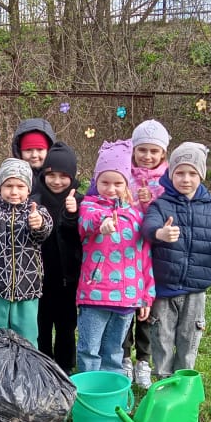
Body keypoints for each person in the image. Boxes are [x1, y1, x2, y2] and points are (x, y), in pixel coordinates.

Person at [143, 142, 211, 379]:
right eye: (180, 173)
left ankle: (184, 383)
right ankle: (163, 382)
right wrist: (160, 233)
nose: (186, 179)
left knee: (189, 339)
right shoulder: (161, 205)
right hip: (164, 289)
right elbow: (148, 228)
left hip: (196, 290)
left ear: (201, 175)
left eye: (192, 173)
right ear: (171, 174)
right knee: (162, 338)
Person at [75, 139, 155, 375]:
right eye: (105, 182)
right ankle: (88, 389)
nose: (111, 189)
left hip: (128, 297)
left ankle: (112, 389)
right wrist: (103, 223)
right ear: (96, 182)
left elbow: (145, 257)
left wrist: (146, 296)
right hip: (95, 295)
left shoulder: (136, 214)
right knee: (89, 350)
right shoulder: (89, 206)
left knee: (114, 351)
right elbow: (87, 223)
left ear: (126, 183)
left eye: (118, 183)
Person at [0, 158, 53, 343]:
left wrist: (38, 224)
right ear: (0, 187)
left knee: (27, 338)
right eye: (8, 186)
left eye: (20, 186)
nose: (14, 191)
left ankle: (27, 362)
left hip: (27, 287)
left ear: (28, 189)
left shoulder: (37, 212)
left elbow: (44, 231)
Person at [123, 118, 171, 387]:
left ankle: (143, 359)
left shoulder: (168, 180)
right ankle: (124, 358)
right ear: (133, 150)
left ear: (163, 153)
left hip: (155, 254)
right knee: (124, 304)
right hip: (126, 250)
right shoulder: (123, 173)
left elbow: (168, 213)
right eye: (142, 150)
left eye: (154, 151)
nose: (147, 156)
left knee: (148, 308)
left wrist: (150, 203)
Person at [35, 141, 83, 373]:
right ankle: (43, 366)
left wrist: (73, 214)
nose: (56, 181)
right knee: (41, 324)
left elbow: (81, 236)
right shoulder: (34, 200)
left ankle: (65, 367)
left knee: (66, 326)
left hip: (69, 279)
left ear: (72, 177)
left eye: (63, 176)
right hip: (38, 278)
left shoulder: (81, 201)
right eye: (51, 175)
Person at [0, 117, 56, 200]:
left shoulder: (58, 170)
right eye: (28, 150)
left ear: (48, 150)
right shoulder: (11, 169)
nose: (34, 155)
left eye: (40, 149)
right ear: (20, 151)